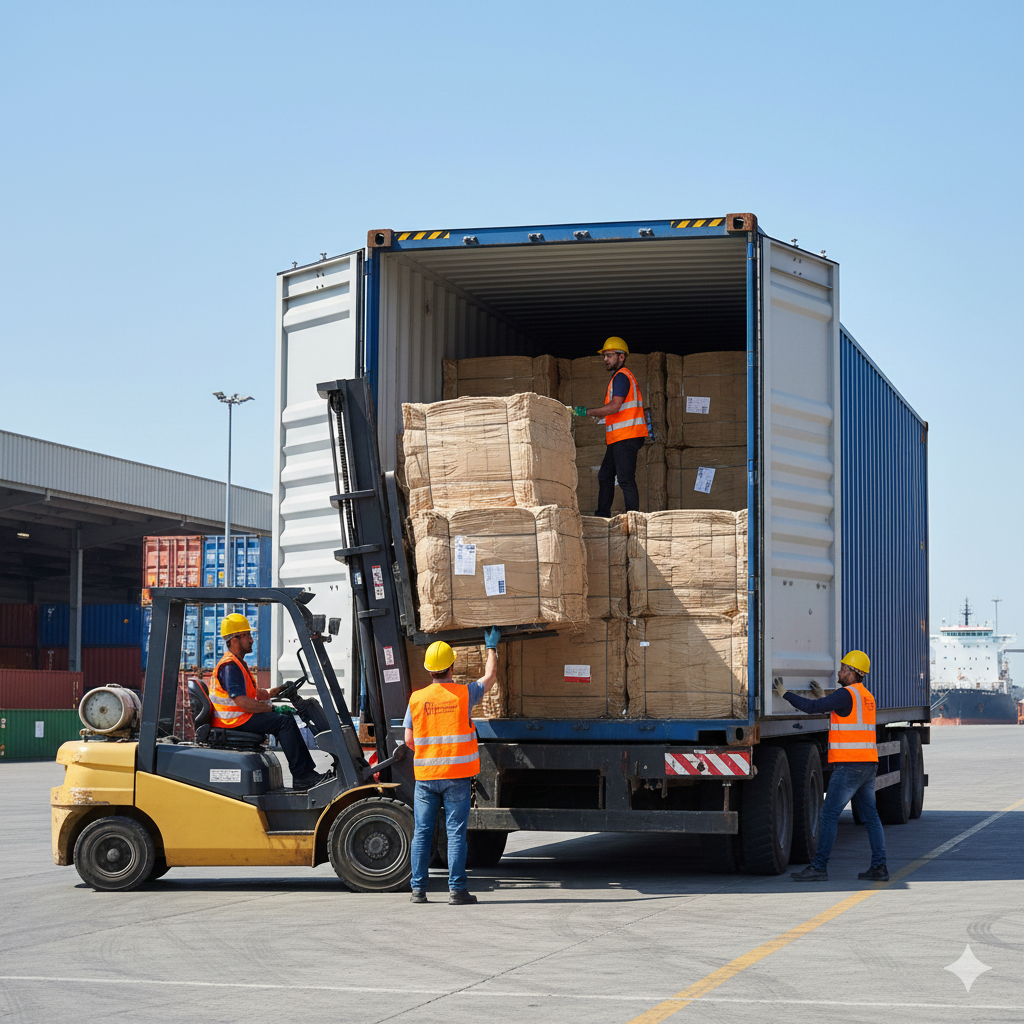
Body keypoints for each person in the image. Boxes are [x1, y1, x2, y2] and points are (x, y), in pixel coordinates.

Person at [405, 627, 501, 905]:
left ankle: (418, 891)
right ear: (452, 666)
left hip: (426, 778)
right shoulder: (464, 694)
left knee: (422, 833)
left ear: (428, 669)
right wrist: (491, 647)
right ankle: (457, 891)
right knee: (456, 833)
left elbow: (409, 739)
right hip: (457, 777)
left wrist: (430, 754)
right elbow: (490, 677)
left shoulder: (416, 698)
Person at [778, 650, 888, 882]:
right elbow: (844, 713)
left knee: (828, 815)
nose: (839, 672)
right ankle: (879, 867)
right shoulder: (866, 696)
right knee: (871, 817)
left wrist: (785, 694)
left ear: (853, 673)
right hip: (868, 763)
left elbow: (812, 707)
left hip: (850, 765)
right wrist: (824, 697)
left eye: (843, 669)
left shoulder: (846, 694)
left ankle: (819, 867)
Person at [208, 613, 325, 791]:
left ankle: (305, 773)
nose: (251, 640)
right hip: (233, 721)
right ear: (235, 639)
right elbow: (243, 702)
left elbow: (256, 694)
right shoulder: (229, 666)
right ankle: (302, 776)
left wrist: (280, 689)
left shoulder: (238, 664)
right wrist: (272, 709)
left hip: (238, 718)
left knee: (285, 719)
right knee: (284, 723)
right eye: (247, 635)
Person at [569, 336, 648, 517]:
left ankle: (633, 519)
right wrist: (601, 415)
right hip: (619, 438)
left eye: (609, 355)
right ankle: (602, 516)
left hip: (627, 436)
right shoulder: (617, 378)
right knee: (605, 476)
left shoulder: (621, 377)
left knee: (625, 479)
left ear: (621, 357)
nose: (605, 359)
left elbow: (615, 406)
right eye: (604, 356)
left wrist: (589, 412)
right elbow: (617, 410)